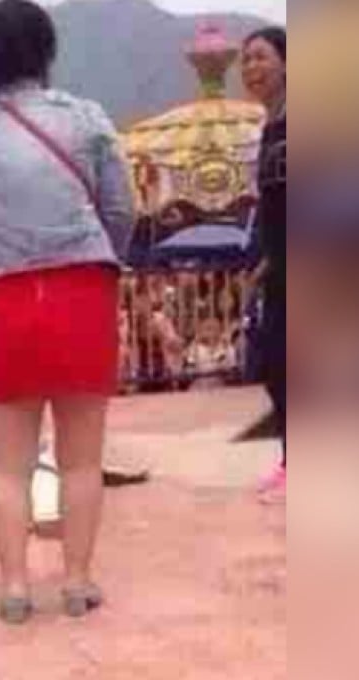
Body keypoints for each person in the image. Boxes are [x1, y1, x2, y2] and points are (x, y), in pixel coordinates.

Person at [0, 0, 134, 624]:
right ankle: (76, 581)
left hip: (3, 297)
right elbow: (121, 209)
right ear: (47, 51)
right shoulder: (88, 119)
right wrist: (103, 257)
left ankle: (16, 587)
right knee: (79, 458)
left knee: (6, 464)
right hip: (81, 291)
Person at [241, 26, 286, 503]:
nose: (251, 68)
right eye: (246, 61)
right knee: (277, 363)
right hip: (281, 268)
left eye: (260, 57)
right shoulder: (270, 129)